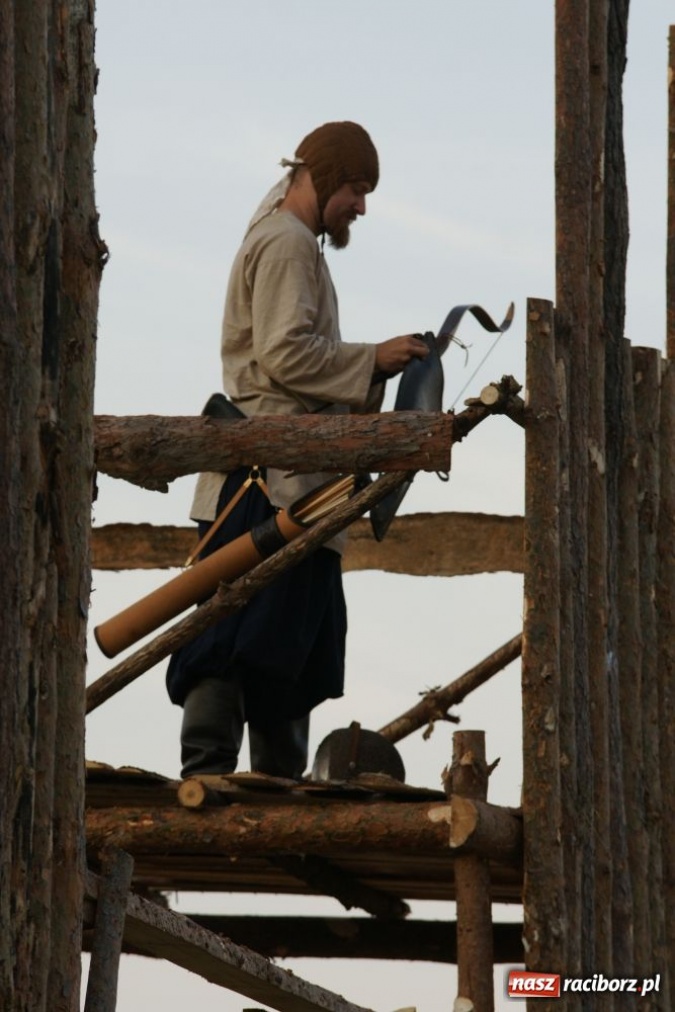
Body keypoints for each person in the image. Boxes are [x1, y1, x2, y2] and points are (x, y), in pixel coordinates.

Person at [166, 121, 428, 780]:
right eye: (356, 189)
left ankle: (272, 798)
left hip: (294, 483)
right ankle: (208, 786)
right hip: (263, 486)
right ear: (328, 175)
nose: (360, 207)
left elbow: (297, 362)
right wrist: (372, 358)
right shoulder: (286, 242)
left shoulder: (291, 241)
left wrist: (369, 377)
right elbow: (284, 355)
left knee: (285, 648)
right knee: (232, 639)